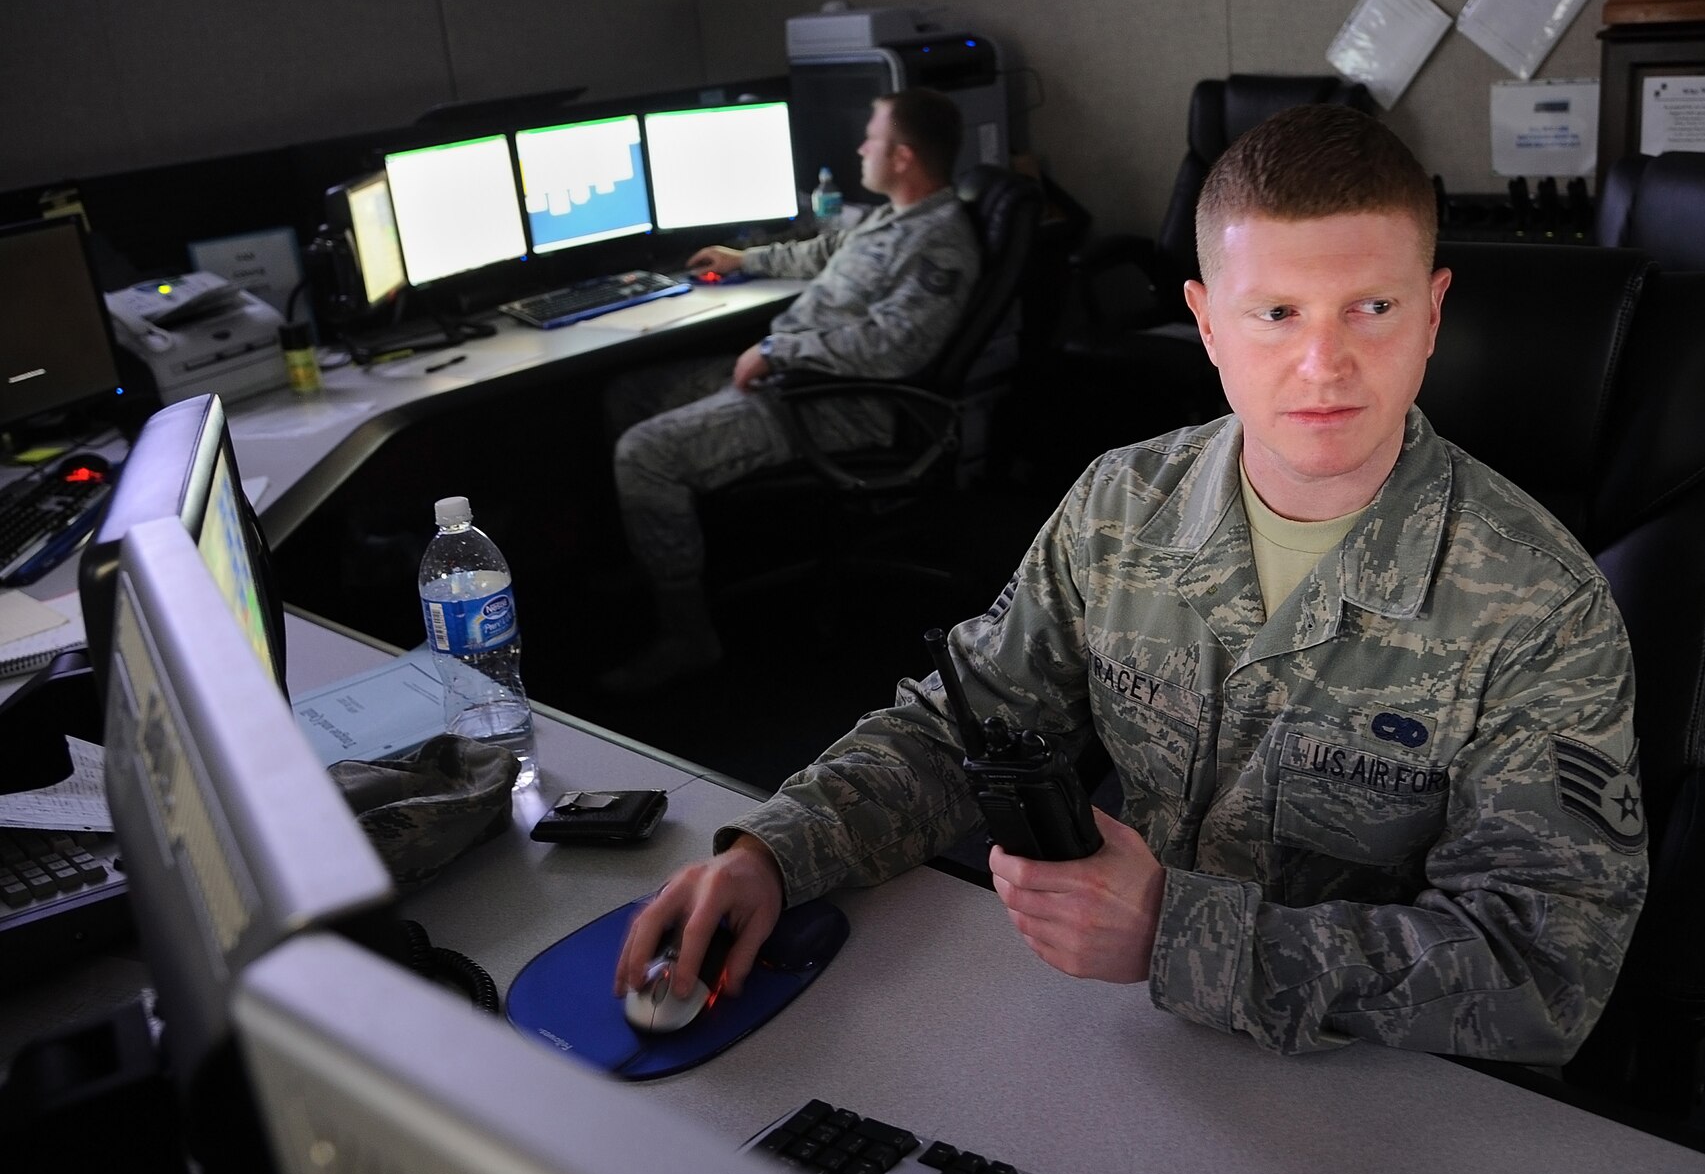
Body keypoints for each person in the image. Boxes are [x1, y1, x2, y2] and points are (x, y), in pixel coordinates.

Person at [614, 104, 1648, 1065]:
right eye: (1275, 312)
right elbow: (959, 728)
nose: (1321, 363)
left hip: (1371, 1090)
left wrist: (1174, 932)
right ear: (1205, 324)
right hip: (1129, 1039)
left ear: (1430, 315)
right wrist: (775, 852)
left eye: (1369, 308)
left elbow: (1542, 968)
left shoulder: (1538, 604)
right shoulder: (1120, 509)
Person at [601, 88, 981, 692]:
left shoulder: (940, 241)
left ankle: (686, 633)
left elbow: (895, 347)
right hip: (795, 378)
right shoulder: (892, 216)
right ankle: (659, 556)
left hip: (839, 404)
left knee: (644, 453)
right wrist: (744, 258)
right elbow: (823, 252)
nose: (860, 146)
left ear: (903, 155)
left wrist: (780, 350)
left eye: (872, 136)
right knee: (628, 393)